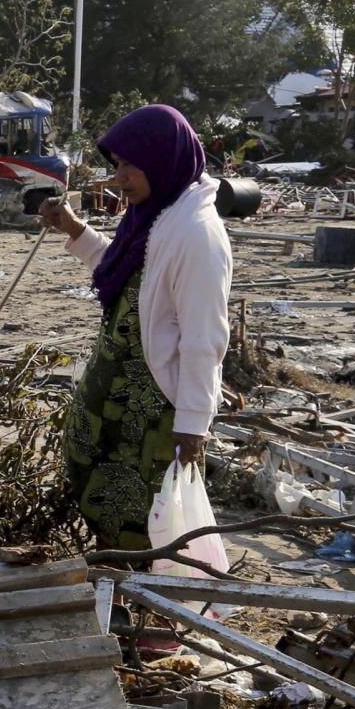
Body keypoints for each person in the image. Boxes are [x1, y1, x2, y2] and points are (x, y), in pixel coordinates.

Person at [38, 104, 234, 552]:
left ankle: (145, 601)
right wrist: (73, 228)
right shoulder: (157, 212)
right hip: (114, 401)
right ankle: (115, 586)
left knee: (144, 516)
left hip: (151, 413)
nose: (120, 177)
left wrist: (192, 424)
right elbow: (128, 272)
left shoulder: (198, 234)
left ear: (163, 159)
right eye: (117, 165)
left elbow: (205, 338)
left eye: (130, 165)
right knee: (102, 497)